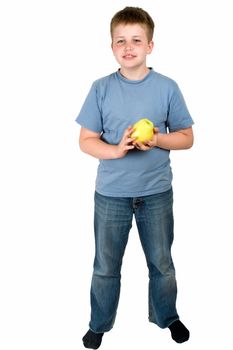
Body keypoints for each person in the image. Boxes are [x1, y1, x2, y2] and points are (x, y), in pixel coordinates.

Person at [76, 6, 194, 349]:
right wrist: (117, 149)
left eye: (136, 40)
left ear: (150, 46)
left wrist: (156, 139)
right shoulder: (100, 88)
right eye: (120, 41)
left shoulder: (168, 87)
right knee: (105, 267)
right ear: (112, 46)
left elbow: (187, 137)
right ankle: (99, 323)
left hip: (156, 193)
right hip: (111, 194)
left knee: (162, 263)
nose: (128, 47)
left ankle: (166, 317)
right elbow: (85, 141)